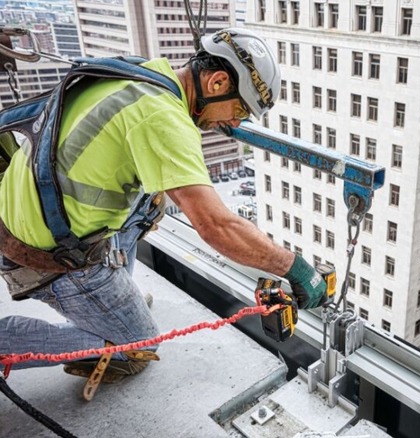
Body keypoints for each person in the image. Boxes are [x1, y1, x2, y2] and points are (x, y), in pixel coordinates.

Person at [0, 28, 326, 398]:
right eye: (239, 110)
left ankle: (116, 300)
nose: (234, 125)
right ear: (218, 81)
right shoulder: (162, 118)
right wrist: (294, 267)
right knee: (139, 344)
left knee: (150, 200)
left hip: (23, 208)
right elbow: (217, 226)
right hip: (47, 252)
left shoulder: (144, 74)